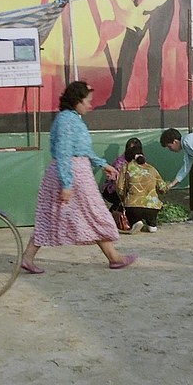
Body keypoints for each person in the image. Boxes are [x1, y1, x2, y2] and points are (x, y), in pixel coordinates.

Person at [20, 82, 137, 274]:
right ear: (77, 101)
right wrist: (66, 183)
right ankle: (114, 258)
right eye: (87, 101)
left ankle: (28, 257)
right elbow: (64, 152)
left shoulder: (70, 119)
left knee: (60, 215)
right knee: (94, 213)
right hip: (73, 175)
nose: (90, 105)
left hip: (74, 173)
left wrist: (102, 164)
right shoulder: (67, 121)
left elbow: (82, 149)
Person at [117, 144, 169, 233]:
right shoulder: (152, 168)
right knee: (151, 222)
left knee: (132, 210)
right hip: (153, 206)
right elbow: (162, 188)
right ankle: (152, 225)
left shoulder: (126, 167)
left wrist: (123, 199)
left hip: (134, 205)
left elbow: (120, 188)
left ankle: (136, 222)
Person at [101, 137, 142, 231]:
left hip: (132, 188)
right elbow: (117, 180)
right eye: (130, 149)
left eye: (135, 149)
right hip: (113, 190)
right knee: (126, 196)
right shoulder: (120, 161)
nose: (133, 152)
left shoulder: (140, 160)